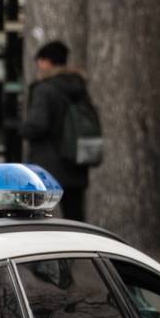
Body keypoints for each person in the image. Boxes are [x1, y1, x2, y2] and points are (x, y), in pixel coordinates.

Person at [21, 40, 96, 222]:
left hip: (47, 167)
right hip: (75, 161)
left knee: (35, 218)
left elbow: (38, 125)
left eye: (40, 61)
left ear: (47, 62)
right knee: (75, 217)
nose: (39, 66)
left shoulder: (44, 89)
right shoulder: (78, 86)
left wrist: (21, 128)